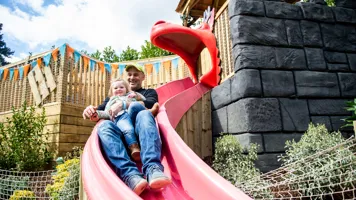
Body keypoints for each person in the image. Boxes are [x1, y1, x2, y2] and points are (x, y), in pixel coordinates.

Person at [82, 64, 171, 195]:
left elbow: (151, 104)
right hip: (121, 137)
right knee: (104, 126)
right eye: (129, 74)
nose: (132, 77)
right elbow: (99, 110)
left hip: (142, 135)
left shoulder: (148, 93)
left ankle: (153, 168)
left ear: (142, 77)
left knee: (144, 113)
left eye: (136, 74)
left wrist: (124, 103)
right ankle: (131, 175)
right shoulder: (111, 99)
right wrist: (90, 111)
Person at [93, 78, 159, 162]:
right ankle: (133, 147)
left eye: (121, 87)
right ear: (111, 92)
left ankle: (149, 111)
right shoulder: (111, 101)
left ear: (126, 89)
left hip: (133, 116)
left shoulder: (129, 96)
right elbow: (107, 113)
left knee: (135, 105)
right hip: (121, 117)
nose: (119, 89)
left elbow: (143, 99)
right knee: (127, 129)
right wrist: (98, 114)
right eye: (115, 88)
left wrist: (136, 95)